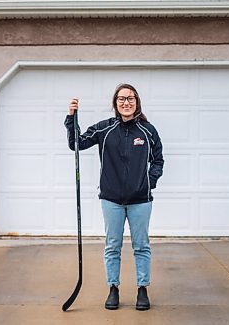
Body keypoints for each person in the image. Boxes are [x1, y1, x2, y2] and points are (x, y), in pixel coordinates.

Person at [64, 83, 164, 311]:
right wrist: (71, 118)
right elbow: (75, 144)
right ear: (115, 103)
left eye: (130, 99)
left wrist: (150, 182)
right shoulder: (104, 129)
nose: (126, 103)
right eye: (121, 99)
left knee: (141, 246)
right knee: (112, 246)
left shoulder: (148, 131)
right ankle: (113, 289)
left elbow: (158, 160)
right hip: (111, 200)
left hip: (141, 200)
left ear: (137, 102)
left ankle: (142, 290)